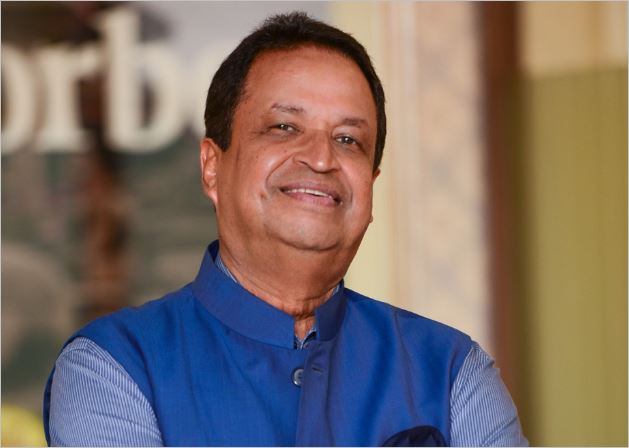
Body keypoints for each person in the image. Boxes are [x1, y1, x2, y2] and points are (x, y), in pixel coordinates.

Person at [44, 12, 527, 447]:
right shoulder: (113, 367)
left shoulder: (451, 372)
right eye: (284, 128)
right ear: (212, 167)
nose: (321, 158)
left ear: (371, 187)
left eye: (348, 139)